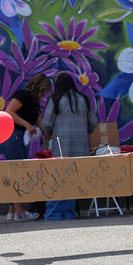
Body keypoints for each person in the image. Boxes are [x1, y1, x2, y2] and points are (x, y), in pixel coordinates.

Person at [41, 71, 98, 220]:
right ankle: (69, 212)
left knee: (58, 179)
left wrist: (48, 133)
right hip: (81, 147)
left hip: (61, 146)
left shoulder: (55, 99)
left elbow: (47, 122)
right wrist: (85, 132)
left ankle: (54, 213)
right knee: (74, 179)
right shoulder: (84, 99)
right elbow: (93, 122)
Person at [0, 73, 52, 221]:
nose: (45, 94)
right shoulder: (24, 94)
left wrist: (49, 135)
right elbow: (9, 111)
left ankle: (12, 210)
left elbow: (39, 121)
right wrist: (27, 124)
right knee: (17, 172)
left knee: (17, 170)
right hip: (13, 135)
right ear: (41, 87)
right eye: (45, 91)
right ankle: (20, 212)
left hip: (19, 137)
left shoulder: (34, 101)